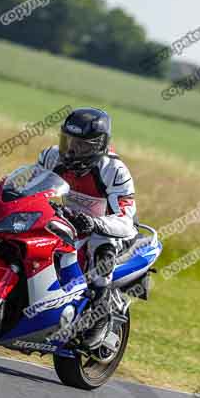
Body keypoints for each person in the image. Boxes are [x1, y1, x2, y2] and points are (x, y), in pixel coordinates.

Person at [37, 107, 137, 348]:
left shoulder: (114, 171)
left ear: (98, 145)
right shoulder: (52, 156)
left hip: (107, 229)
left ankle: (101, 311)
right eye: (68, 140)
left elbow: (127, 218)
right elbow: (32, 186)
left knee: (102, 244)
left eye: (81, 145)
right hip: (69, 222)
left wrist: (95, 223)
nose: (71, 149)